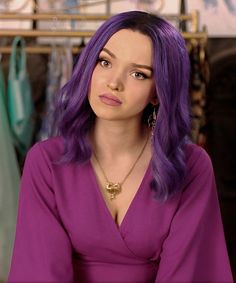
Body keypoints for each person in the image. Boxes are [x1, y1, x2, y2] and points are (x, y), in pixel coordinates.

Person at [7, 11, 233, 283]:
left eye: (138, 73)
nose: (114, 82)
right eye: (104, 62)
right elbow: (41, 273)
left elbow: (189, 273)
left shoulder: (191, 166)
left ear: (158, 92)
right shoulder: (46, 161)